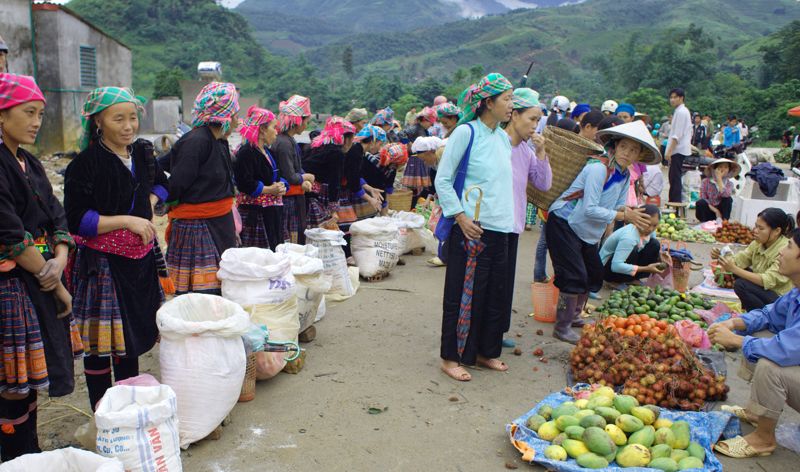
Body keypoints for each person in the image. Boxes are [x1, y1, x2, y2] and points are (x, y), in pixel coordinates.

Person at [64, 86, 168, 410]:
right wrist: (127, 220)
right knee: (100, 346)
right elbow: (78, 220)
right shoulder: (85, 164)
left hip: (140, 262)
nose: (128, 126)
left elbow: (165, 184)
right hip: (103, 265)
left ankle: (127, 408)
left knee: (131, 339)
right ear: (99, 122)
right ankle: (102, 413)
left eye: (133, 118)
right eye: (118, 119)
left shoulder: (142, 153)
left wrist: (146, 205)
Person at [0, 73, 79, 460]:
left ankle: (29, 453)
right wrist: (57, 283)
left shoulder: (27, 161)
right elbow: (10, 237)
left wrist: (60, 257)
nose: (36, 121)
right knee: (11, 384)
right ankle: (16, 458)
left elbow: (56, 214)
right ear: (1, 115)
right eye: (28, 112)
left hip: (36, 277)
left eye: (40, 114)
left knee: (26, 381)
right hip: (11, 286)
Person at [547, 121, 660, 343]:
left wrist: (630, 212)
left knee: (593, 273)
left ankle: (576, 316)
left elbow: (617, 205)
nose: (627, 153)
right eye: (624, 147)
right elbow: (589, 209)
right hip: (565, 222)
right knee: (573, 276)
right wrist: (624, 216)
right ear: (615, 146)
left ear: (639, 155)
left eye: (634, 150)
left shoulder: (625, 175)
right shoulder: (598, 169)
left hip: (587, 230)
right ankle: (562, 326)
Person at [436, 73, 514, 381]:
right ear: (488, 103)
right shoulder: (466, 133)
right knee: (464, 293)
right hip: (472, 228)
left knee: (494, 293)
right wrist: (460, 216)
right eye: (507, 99)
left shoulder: (502, 138)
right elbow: (443, 179)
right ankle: (451, 357)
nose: (511, 105)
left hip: (501, 228)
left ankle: (485, 352)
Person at [708, 228, 800, 459]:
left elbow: (785, 349)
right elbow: (769, 315)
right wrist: (735, 323)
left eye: (789, 247)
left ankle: (763, 439)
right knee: (759, 335)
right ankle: (758, 412)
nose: (782, 253)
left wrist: (736, 340)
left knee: (770, 363)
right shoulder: (796, 293)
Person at [164, 82, 239, 295]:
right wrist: (166, 199)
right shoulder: (196, 141)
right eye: (235, 113)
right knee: (202, 292)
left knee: (220, 284)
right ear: (224, 115)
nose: (237, 119)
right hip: (198, 227)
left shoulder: (219, 141)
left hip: (219, 222)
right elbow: (178, 182)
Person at [505, 88, 552, 341]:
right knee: (493, 284)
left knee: (505, 284)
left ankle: (499, 330)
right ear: (513, 115)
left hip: (514, 224)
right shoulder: (498, 145)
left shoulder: (526, 150)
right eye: (532, 119)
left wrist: (542, 153)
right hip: (493, 224)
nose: (535, 125)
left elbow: (543, 184)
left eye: (538, 120)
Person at [712, 208, 794, 312]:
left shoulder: (784, 249)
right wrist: (721, 256)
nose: (755, 231)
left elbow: (767, 280)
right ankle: (753, 311)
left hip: (780, 300)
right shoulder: (758, 243)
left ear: (777, 231)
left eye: (761, 228)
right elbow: (739, 260)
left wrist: (734, 269)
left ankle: (762, 315)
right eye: (756, 226)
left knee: (741, 284)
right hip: (765, 290)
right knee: (738, 272)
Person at [234, 106, 286, 250]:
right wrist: (270, 189)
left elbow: (276, 176)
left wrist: (281, 186)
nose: (276, 132)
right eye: (274, 127)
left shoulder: (268, 152)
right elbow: (244, 183)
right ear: (262, 130)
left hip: (271, 212)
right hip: (256, 215)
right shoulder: (246, 152)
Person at [273, 95, 314, 244]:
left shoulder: (287, 140)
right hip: (289, 199)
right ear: (297, 121)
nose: (306, 126)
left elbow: (296, 168)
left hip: (293, 196)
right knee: (291, 238)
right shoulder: (284, 143)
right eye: (306, 122)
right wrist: (306, 177)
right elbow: (290, 175)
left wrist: (302, 176)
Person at [600, 204, 667, 285]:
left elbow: (654, 246)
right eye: (648, 224)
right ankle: (614, 281)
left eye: (655, 225)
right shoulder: (629, 236)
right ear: (638, 220)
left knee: (654, 244)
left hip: (626, 261)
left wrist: (660, 255)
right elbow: (616, 266)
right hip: (607, 268)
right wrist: (646, 268)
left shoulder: (649, 231)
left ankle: (633, 278)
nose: (651, 229)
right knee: (633, 250)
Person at [401, 107, 438, 201]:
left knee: (422, 185)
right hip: (416, 160)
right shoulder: (415, 128)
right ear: (424, 120)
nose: (431, 125)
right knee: (416, 186)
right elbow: (401, 134)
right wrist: (409, 144)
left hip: (423, 160)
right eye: (431, 123)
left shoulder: (423, 130)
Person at [664, 88, 692, 204]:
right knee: (674, 177)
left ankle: (675, 203)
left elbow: (677, 135)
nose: (672, 100)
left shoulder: (681, 112)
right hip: (678, 149)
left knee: (675, 178)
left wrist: (669, 151)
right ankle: (674, 202)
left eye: (675, 97)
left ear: (681, 98)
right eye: (671, 97)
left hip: (678, 150)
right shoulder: (680, 111)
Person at [695, 158, 738, 222]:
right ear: (714, 169)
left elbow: (726, 195)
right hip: (709, 211)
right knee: (700, 203)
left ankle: (724, 223)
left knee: (728, 199)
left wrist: (719, 179)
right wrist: (716, 211)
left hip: (721, 214)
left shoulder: (729, 184)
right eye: (720, 167)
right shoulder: (706, 182)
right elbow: (703, 199)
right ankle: (704, 223)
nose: (723, 169)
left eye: (726, 167)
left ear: (729, 170)